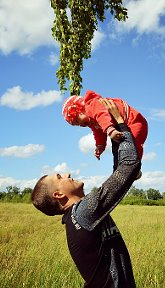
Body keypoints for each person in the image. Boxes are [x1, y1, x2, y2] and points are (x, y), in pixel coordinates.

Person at [32, 99, 140, 288]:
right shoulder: (84, 213)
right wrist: (120, 122)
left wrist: (114, 134)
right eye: (60, 177)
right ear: (58, 195)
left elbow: (120, 175)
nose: (67, 174)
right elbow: (128, 166)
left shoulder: (80, 216)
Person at [62, 90, 148, 177]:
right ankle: (120, 172)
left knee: (133, 145)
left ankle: (134, 168)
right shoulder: (91, 122)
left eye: (77, 120)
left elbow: (102, 116)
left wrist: (110, 130)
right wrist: (100, 146)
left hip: (134, 121)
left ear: (79, 109)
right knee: (119, 151)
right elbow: (98, 132)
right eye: (77, 125)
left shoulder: (92, 104)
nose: (80, 125)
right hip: (120, 126)